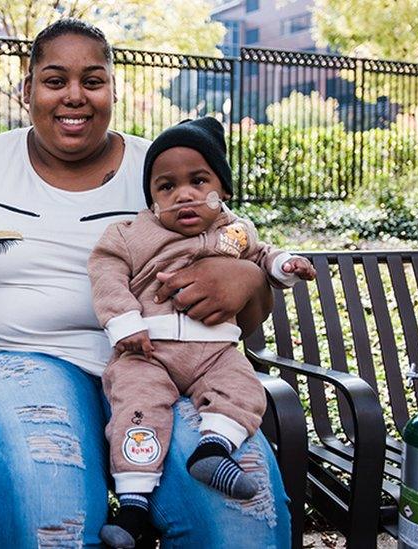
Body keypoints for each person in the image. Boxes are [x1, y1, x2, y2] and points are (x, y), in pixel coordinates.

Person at [0, 18, 293, 548]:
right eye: (54, 79)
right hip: (13, 362)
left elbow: (243, 311)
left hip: (164, 367)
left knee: (240, 515)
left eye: (93, 81)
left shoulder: (165, 170)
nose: (75, 97)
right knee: (49, 518)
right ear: (27, 90)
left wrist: (249, 280)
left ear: (113, 89)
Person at [89, 117, 316, 548]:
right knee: (138, 409)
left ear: (223, 190)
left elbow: (262, 254)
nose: (184, 196)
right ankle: (134, 508)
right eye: (166, 187)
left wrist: (285, 266)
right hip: (148, 349)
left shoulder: (234, 231)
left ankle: (213, 449)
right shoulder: (133, 234)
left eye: (198, 181)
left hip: (214, 350)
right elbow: (106, 273)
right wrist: (124, 323)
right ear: (152, 200)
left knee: (242, 387)